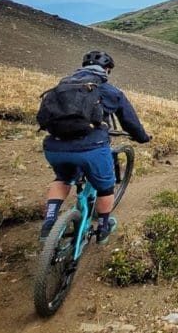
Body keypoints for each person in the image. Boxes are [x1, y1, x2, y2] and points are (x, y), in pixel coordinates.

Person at [40, 51, 151, 244]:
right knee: (106, 187)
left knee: (63, 178)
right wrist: (142, 138)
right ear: (106, 70)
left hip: (54, 147)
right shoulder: (109, 91)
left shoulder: (63, 86)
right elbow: (129, 121)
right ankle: (103, 227)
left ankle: (49, 222)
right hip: (90, 147)